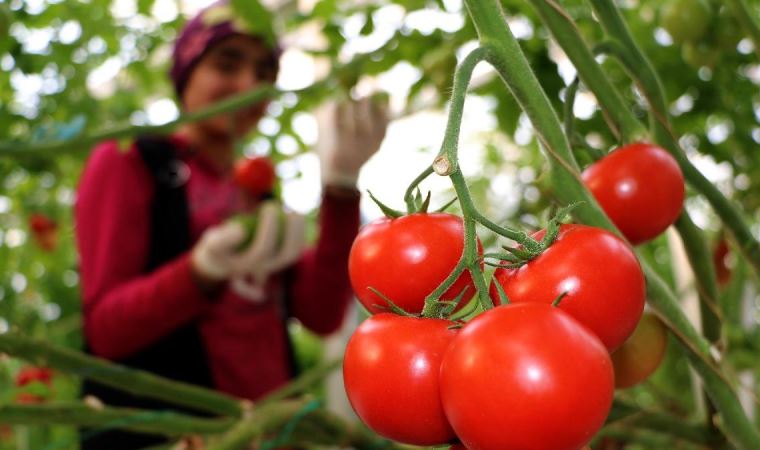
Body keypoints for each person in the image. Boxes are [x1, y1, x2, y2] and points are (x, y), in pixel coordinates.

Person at [73, 1, 388, 448]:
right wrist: (196, 274)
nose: (248, 85)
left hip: (271, 432)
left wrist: (339, 190)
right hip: (178, 435)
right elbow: (106, 330)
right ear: (187, 73)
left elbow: (318, 313)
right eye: (227, 64)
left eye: (264, 73)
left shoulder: (256, 192)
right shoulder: (131, 159)